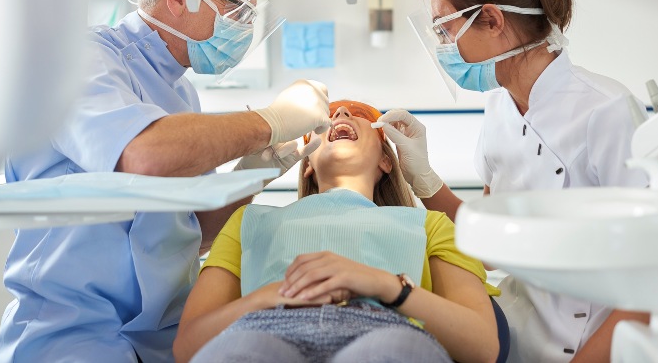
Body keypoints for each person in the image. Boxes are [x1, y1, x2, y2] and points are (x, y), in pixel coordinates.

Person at [0, 0, 332, 363]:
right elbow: (143, 156)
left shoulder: (180, 96)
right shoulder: (76, 61)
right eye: (238, 9)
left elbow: (189, 234)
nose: (244, 27)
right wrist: (270, 120)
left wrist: (254, 171)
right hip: (69, 337)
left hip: (159, 341)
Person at [377, 0, 650, 362]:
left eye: (444, 29)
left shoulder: (607, 110)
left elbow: (649, 285)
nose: (442, 47)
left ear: (490, 19)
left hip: (594, 347)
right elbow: (488, 248)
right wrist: (424, 179)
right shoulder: (500, 111)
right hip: (519, 338)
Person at [173, 100, 510, 363]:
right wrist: (270, 296)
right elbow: (188, 346)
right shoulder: (247, 221)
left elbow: (482, 347)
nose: (343, 112)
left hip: (384, 330)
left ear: (386, 161)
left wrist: (384, 284)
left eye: (359, 113)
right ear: (306, 165)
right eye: (328, 116)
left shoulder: (431, 225)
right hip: (264, 329)